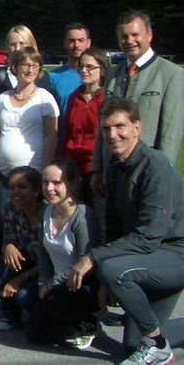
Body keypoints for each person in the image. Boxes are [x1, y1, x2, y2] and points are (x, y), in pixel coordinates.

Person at [68, 97, 184, 365]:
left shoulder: (155, 166)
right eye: (106, 129)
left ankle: (157, 343)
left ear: (137, 128)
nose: (113, 135)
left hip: (182, 255)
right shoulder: (117, 166)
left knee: (114, 270)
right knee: (132, 346)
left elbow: (148, 236)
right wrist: (106, 282)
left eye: (120, 126)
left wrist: (94, 259)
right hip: (151, 259)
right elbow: (116, 228)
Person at [0, 47, 58, 276]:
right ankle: (3, 271)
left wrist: (45, 166)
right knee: (6, 222)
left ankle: (35, 270)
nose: (30, 69)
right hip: (4, 173)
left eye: (35, 66)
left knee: (33, 223)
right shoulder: (2, 99)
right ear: (14, 67)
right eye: (25, 65)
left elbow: (52, 136)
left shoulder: (45, 99)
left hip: (33, 172)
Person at [96, 10, 184, 170]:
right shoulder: (113, 74)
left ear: (149, 35)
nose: (129, 41)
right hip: (112, 168)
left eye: (135, 35)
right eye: (124, 37)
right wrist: (97, 168)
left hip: (146, 166)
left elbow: (171, 132)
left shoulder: (171, 74)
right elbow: (102, 125)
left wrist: (163, 171)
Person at [26, 158, 100, 349]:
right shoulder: (46, 211)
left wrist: (52, 284)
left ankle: (87, 322)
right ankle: (62, 321)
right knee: (27, 304)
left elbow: (86, 265)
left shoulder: (83, 218)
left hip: (79, 285)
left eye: (57, 183)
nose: (49, 188)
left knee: (43, 321)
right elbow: (43, 254)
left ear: (73, 184)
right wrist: (43, 281)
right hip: (54, 283)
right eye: (45, 182)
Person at [62, 47, 109, 237]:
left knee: (98, 219)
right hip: (74, 168)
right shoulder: (74, 97)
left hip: (96, 168)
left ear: (102, 70)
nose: (84, 71)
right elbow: (67, 131)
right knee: (74, 219)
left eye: (90, 67)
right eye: (81, 66)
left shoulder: (107, 98)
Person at [0, 166, 43, 331]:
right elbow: (9, 237)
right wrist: (8, 245)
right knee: (2, 263)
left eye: (22, 187)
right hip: (24, 260)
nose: (15, 192)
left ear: (36, 191)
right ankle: (9, 315)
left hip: (45, 268)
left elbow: (49, 259)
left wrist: (20, 279)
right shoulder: (11, 207)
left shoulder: (48, 214)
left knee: (23, 296)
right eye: (12, 187)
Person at [0, 24, 56, 115]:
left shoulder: (42, 76)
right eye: (12, 44)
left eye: (22, 43)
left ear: (31, 45)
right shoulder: (0, 75)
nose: (17, 48)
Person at [48, 23, 92, 124]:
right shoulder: (52, 77)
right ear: (65, 43)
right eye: (72, 41)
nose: (76, 45)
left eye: (81, 40)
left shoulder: (98, 76)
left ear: (88, 43)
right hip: (63, 138)